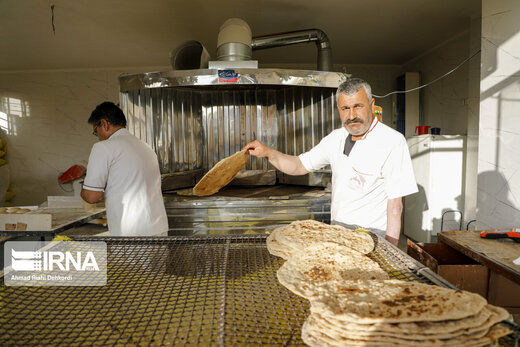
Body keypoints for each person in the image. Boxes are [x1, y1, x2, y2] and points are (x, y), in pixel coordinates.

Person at [243, 78, 417, 245]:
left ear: (371, 105)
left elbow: (395, 207)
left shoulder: (392, 141)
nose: (352, 115)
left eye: (358, 106)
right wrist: (268, 153)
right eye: (345, 108)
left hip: (371, 237)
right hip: (338, 233)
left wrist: (391, 249)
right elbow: (298, 165)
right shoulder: (336, 138)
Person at [81, 101, 168, 236]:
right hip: (159, 229)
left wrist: (85, 186)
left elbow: (91, 197)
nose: (98, 137)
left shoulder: (103, 148)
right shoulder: (146, 147)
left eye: (95, 131)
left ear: (104, 124)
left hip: (131, 233)